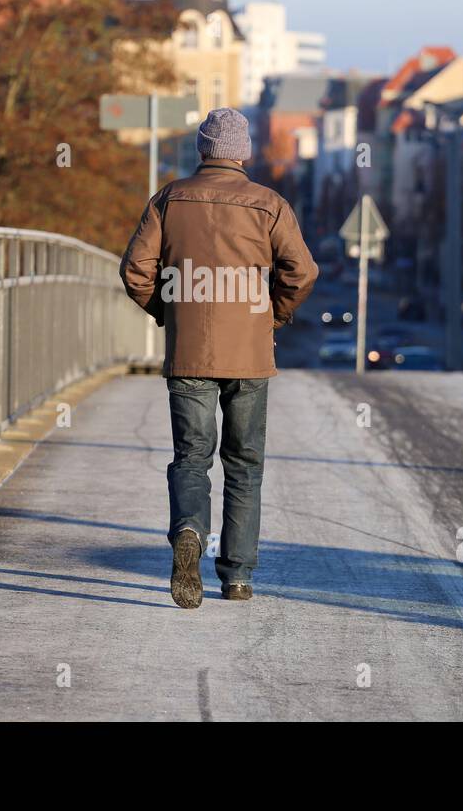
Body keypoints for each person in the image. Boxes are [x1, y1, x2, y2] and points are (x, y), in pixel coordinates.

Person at [120, 107, 318, 609]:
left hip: (190, 352)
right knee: (244, 464)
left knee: (192, 457)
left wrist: (170, 314)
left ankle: (189, 528)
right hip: (249, 354)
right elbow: (302, 270)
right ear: (244, 153)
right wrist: (273, 315)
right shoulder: (269, 205)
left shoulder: (169, 198)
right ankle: (238, 577)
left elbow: (136, 271)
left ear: (202, 150)